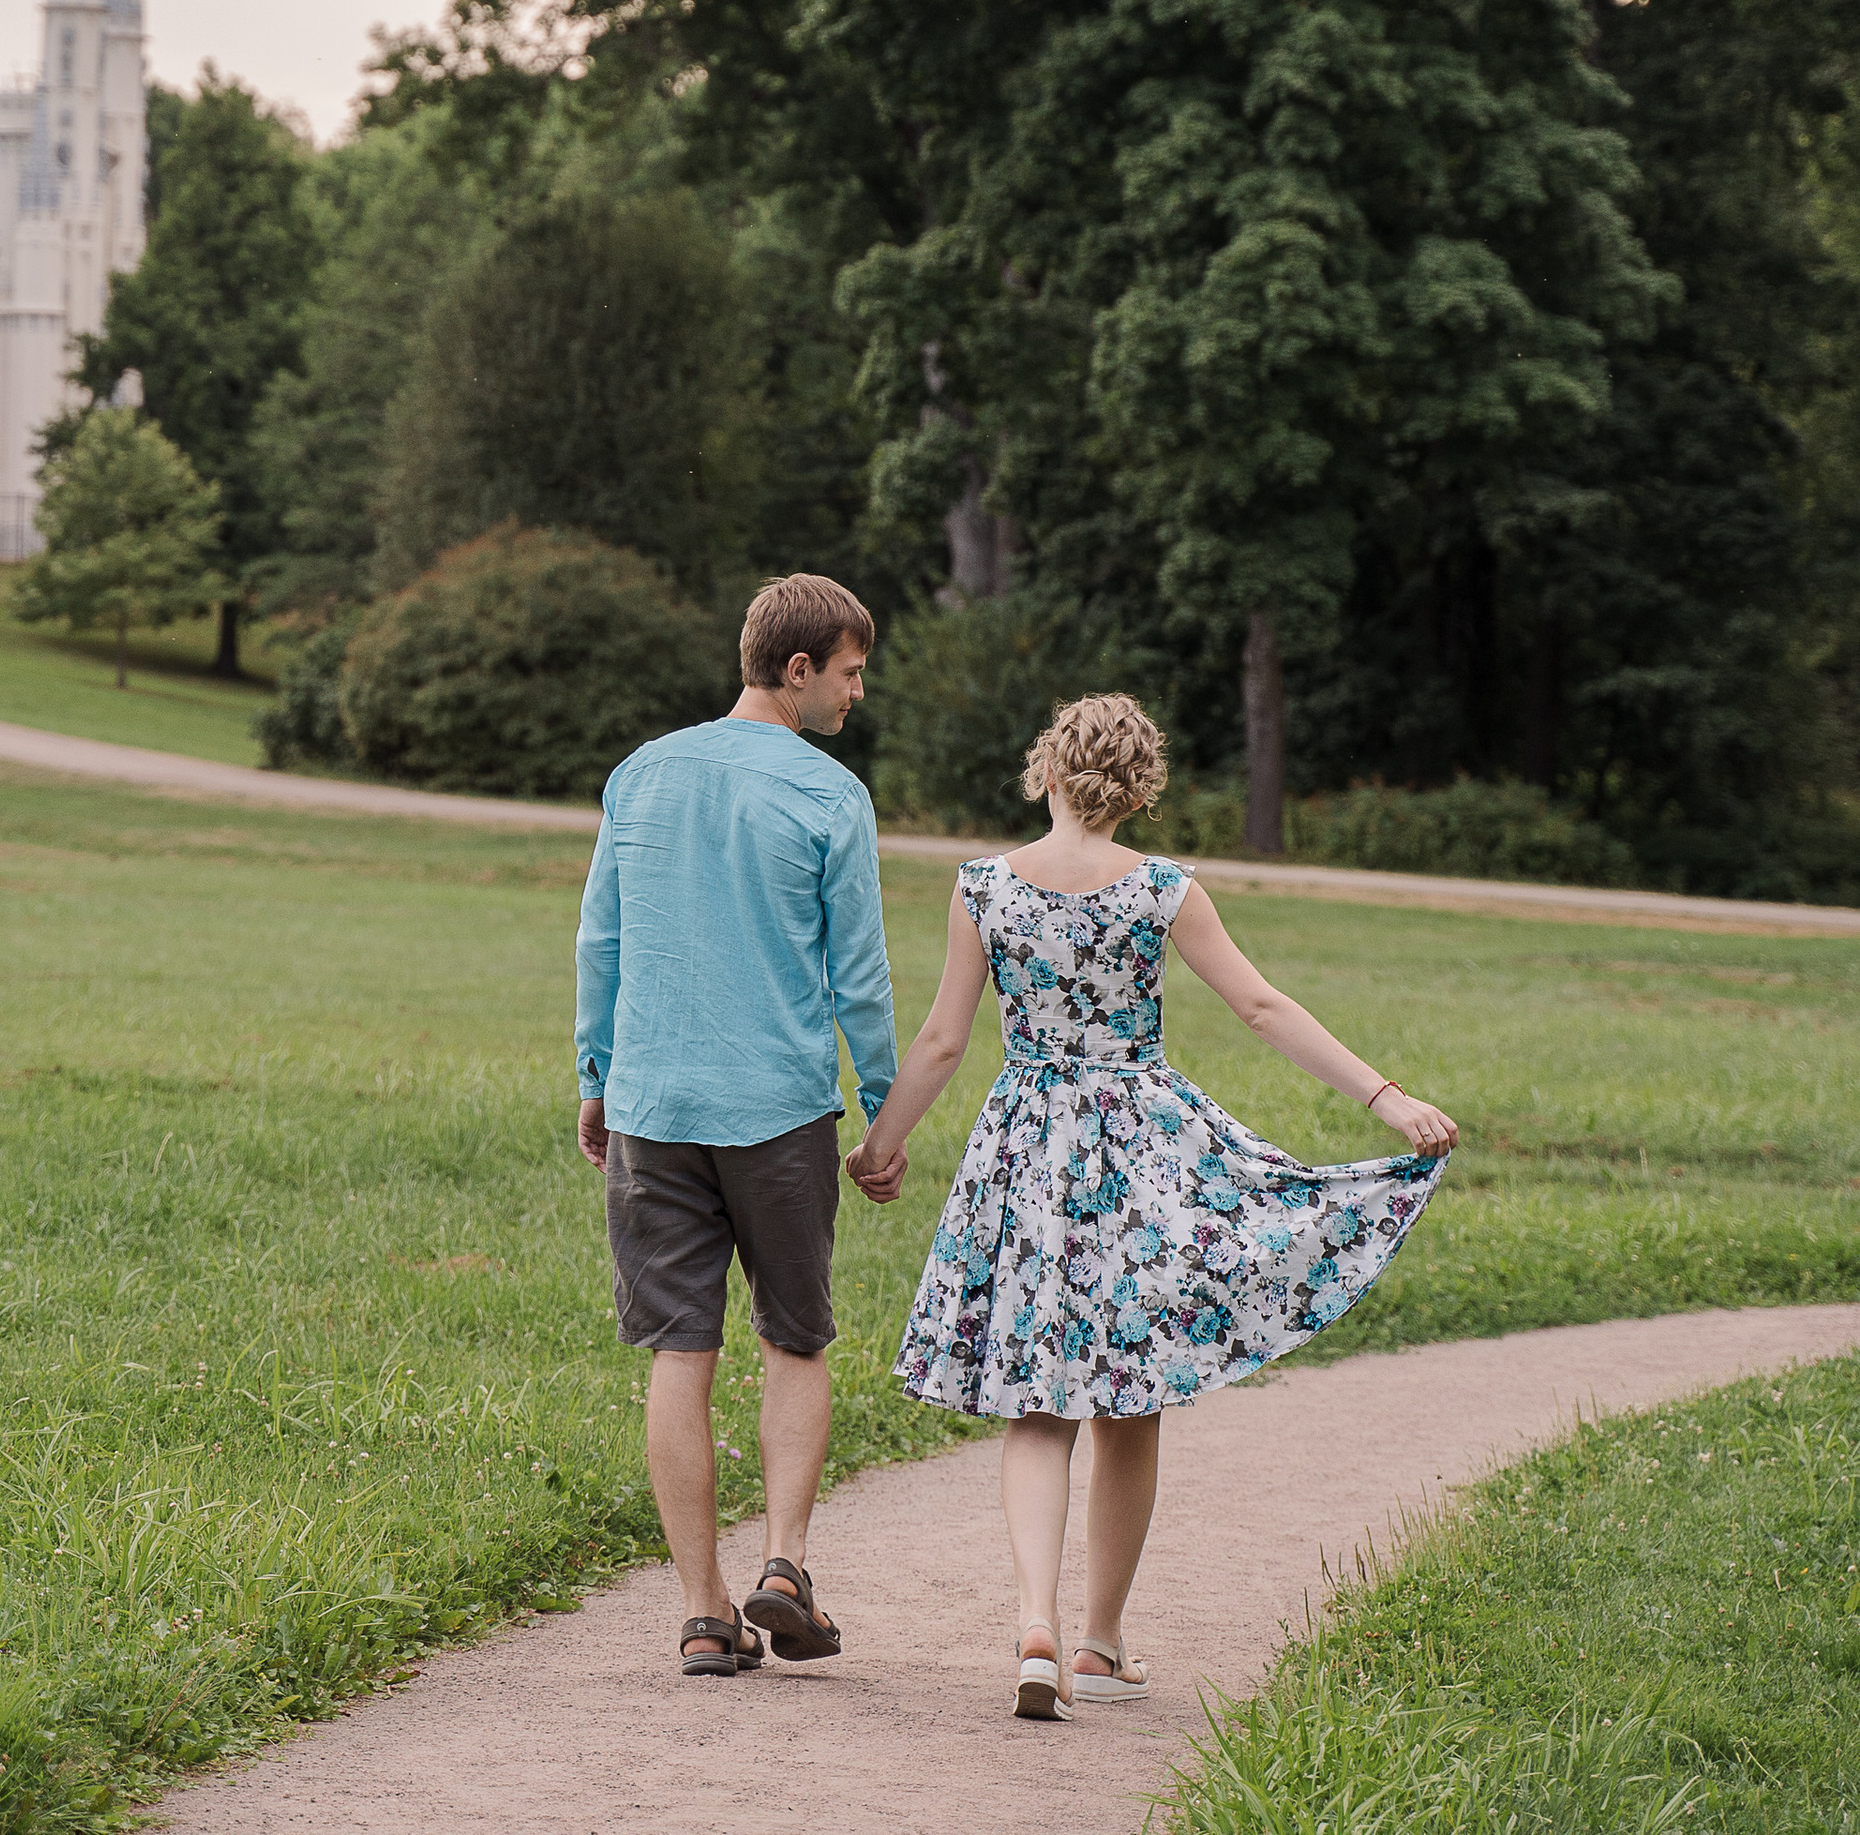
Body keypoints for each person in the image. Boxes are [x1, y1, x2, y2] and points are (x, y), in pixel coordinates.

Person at [845, 690, 1457, 1719]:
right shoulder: (1164, 892)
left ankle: (1034, 1621)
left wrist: (881, 1143)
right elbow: (1260, 1006)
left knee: (1039, 1405)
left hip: (1027, 1150)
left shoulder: (983, 888)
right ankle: (1097, 1644)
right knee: (1129, 1402)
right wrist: (1385, 1099)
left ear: (1045, 772)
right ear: (1139, 790)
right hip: (1142, 1151)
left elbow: (945, 1042)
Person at [576, 573, 899, 1679]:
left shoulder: (641, 775)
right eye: (850, 673)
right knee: (792, 1336)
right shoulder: (826, 797)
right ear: (797, 669)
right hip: (777, 1108)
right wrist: (886, 1105)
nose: (859, 694)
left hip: (654, 1106)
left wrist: (597, 1075)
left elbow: (601, 939)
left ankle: (705, 1615)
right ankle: (784, 1566)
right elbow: (857, 971)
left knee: (680, 1349)